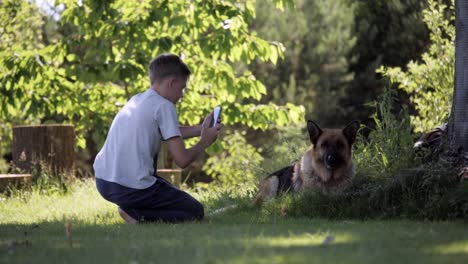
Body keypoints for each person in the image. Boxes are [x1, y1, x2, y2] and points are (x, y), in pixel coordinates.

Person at [93, 53, 222, 224]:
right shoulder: (164, 106)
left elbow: (169, 131)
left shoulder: (138, 99)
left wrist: (202, 129)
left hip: (104, 182)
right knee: (195, 211)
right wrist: (205, 141)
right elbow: (182, 160)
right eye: (182, 88)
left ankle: (132, 208)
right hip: (131, 189)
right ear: (172, 83)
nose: (182, 95)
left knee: (165, 188)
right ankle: (136, 215)